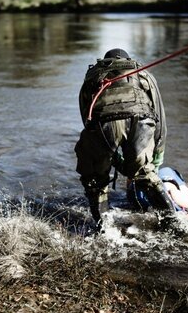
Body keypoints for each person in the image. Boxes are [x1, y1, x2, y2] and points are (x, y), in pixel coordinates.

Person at [75, 48, 175, 227]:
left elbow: (87, 120)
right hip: (141, 121)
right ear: (128, 60)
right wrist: (156, 159)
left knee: (95, 180)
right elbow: (160, 119)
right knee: (145, 174)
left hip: (103, 125)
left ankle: (104, 230)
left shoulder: (93, 76)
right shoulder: (144, 74)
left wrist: (110, 156)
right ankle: (173, 224)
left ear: (104, 63)